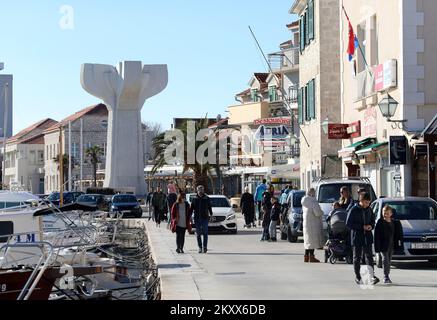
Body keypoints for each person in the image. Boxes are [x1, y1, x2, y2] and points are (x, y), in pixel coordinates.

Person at [346, 192, 380, 285]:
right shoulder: (353, 210)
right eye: (366, 202)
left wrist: (371, 226)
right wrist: (362, 227)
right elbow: (348, 224)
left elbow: (373, 221)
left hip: (367, 236)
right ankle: (358, 276)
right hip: (357, 236)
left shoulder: (369, 210)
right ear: (361, 201)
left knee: (369, 257)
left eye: (369, 202)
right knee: (357, 257)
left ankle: (371, 276)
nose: (367, 204)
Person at [374, 205, 404, 284]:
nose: (385, 214)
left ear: (391, 214)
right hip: (383, 245)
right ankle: (385, 276)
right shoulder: (380, 222)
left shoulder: (394, 222)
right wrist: (377, 247)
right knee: (385, 260)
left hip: (391, 245)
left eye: (387, 213)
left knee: (389, 260)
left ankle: (387, 275)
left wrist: (399, 245)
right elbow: (376, 236)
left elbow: (398, 235)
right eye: (384, 213)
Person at [301, 188, 325, 263]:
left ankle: (306, 257)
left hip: (307, 224)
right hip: (313, 224)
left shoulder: (305, 201)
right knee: (312, 241)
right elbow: (317, 212)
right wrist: (322, 212)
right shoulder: (312, 201)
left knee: (308, 241)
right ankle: (311, 257)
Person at [191, 185, 213, 253]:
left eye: (202, 190)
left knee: (205, 233)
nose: (200, 192)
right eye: (199, 190)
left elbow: (209, 207)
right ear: (197, 191)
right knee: (198, 234)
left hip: (205, 218)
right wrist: (189, 217)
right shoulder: (194, 199)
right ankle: (200, 247)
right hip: (197, 218)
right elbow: (191, 208)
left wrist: (211, 214)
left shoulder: (207, 198)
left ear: (203, 191)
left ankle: (205, 247)